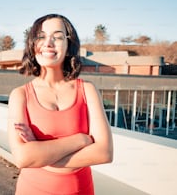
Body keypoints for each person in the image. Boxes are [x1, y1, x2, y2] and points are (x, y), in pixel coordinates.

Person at [7, 13, 113, 195]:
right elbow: (23, 158)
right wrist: (81, 140)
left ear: (68, 45)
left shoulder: (87, 90)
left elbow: (104, 153)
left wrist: (40, 153)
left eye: (57, 37)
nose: (48, 43)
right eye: (41, 36)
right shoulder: (20, 95)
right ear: (32, 44)